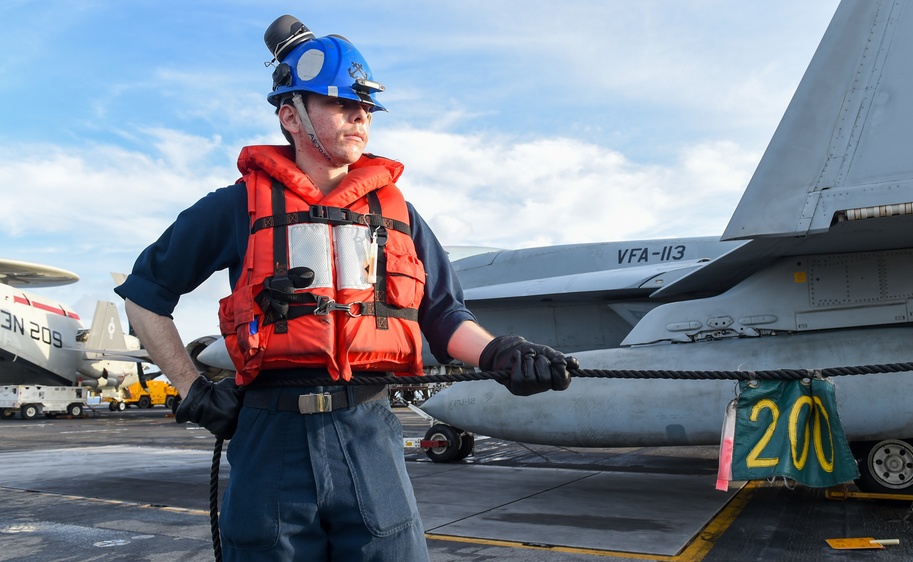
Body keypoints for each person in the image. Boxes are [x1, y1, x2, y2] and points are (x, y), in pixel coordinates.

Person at [114, 14, 575, 562]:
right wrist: (193, 391)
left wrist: (502, 353)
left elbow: (445, 314)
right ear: (290, 115)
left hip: (369, 429)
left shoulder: (399, 214)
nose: (359, 115)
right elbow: (144, 295)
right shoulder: (235, 207)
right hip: (269, 436)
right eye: (339, 103)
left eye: (365, 107)